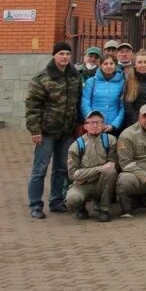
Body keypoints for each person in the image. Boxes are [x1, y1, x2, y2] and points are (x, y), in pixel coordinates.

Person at [25, 42, 82, 219]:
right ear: (54, 56)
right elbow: (33, 106)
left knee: (61, 168)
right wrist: (35, 130)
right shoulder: (42, 78)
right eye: (61, 54)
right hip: (47, 132)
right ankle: (35, 204)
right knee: (40, 169)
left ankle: (56, 201)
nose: (65, 57)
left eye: (67, 53)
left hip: (66, 131)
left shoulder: (74, 76)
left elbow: (77, 102)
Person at [66, 110, 118, 222]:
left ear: (103, 125)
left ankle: (104, 209)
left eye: (98, 122)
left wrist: (103, 170)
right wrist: (99, 169)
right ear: (85, 126)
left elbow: (112, 165)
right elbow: (72, 174)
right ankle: (80, 208)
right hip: (83, 184)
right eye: (91, 123)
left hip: (101, 183)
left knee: (111, 172)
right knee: (72, 200)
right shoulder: (76, 146)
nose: (95, 125)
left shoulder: (110, 141)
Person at [82, 55, 125, 134]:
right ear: (100, 65)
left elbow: (123, 107)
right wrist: (93, 122)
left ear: (115, 65)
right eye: (105, 64)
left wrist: (114, 125)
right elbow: (85, 102)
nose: (108, 66)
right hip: (93, 127)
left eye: (111, 63)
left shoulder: (122, 83)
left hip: (113, 127)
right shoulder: (91, 82)